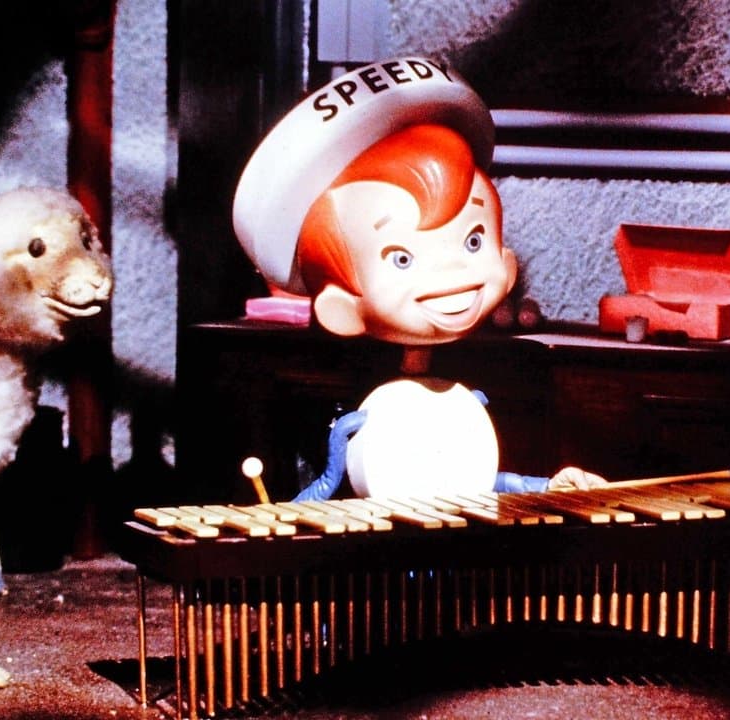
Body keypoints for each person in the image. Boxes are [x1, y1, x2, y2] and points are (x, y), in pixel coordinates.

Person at [232, 58, 604, 500]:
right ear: (341, 309)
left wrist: (546, 487)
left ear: (506, 266)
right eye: (402, 258)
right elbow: (297, 518)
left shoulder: (476, 388)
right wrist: (330, 480)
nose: (451, 272)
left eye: (473, 241)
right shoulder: (337, 404)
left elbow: (478, 484)